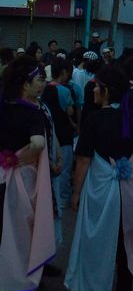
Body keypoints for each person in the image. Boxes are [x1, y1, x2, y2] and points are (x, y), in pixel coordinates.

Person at [65, 65, 133, 291]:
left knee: (97, 248)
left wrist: (76, 192)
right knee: (124, 243)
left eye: (96, 87)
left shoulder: (94, 119)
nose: (92, 91)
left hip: (101, 191)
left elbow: (84, 160)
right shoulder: (132, 118)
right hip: (127, 190)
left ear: (106, 91)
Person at [0, 56, 56, 291]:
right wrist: (24, 157)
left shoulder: (3, 106)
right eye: (38, 80)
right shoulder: (33, 113)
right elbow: (38, 142)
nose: (42, 84)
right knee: (18, 248)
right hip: (18, 186)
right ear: (25, 85)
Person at [41, 58, 77, 209]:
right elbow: (70, 111)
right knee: (64, 169)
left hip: (49, 135)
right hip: (63, 135)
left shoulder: (44, 89)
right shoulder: (65, 91)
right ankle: (62, 200)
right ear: (64, 72)